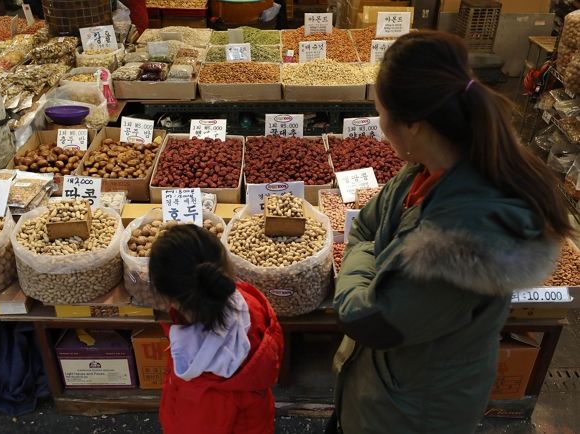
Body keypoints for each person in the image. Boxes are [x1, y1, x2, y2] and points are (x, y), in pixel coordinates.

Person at [331, 31, 573, 434]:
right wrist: (372, 252)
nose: (379, 123)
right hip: (387, 384)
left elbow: (367, 318)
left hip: (413, 411)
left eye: (380, 112)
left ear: (414, 126)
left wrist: (364, 254)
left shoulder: (463, 239)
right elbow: (369, 224)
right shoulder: (427, 168)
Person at [149, 224, 283, 434]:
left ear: (167, 299)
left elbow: (192, 425)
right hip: (254, 420)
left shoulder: (197, 377)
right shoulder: (252, 305)